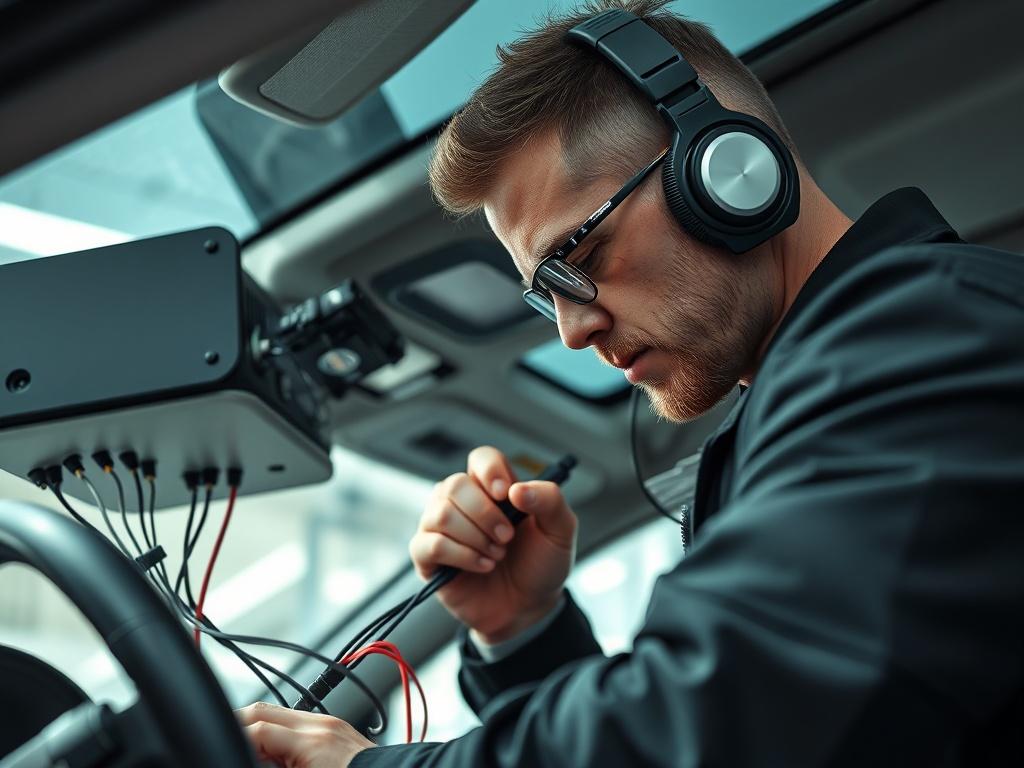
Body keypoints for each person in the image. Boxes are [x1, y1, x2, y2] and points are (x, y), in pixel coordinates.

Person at [238, 1, 1024, 765]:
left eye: (577, 261)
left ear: (727, 172)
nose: (573, 331)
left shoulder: (928, 334)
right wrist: (522, 631)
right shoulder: (825, 399)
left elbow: (712, 724)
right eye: (544, 295)